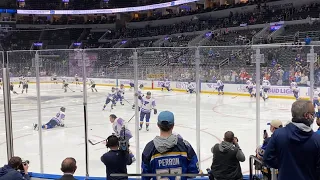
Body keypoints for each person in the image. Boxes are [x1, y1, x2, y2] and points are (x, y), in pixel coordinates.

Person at [263, 99, 320, 180]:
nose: (314, 116)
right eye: (313, 114)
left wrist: (284, 165)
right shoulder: (317, 140)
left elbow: (267, 158)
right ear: (306, 115)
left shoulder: (278, 134)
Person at [141, 111, 200, 180]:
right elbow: (193, 172)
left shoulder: (149, 148)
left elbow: (145, 176)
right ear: (173, 125)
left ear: (158, 125)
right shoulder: (185, 146)